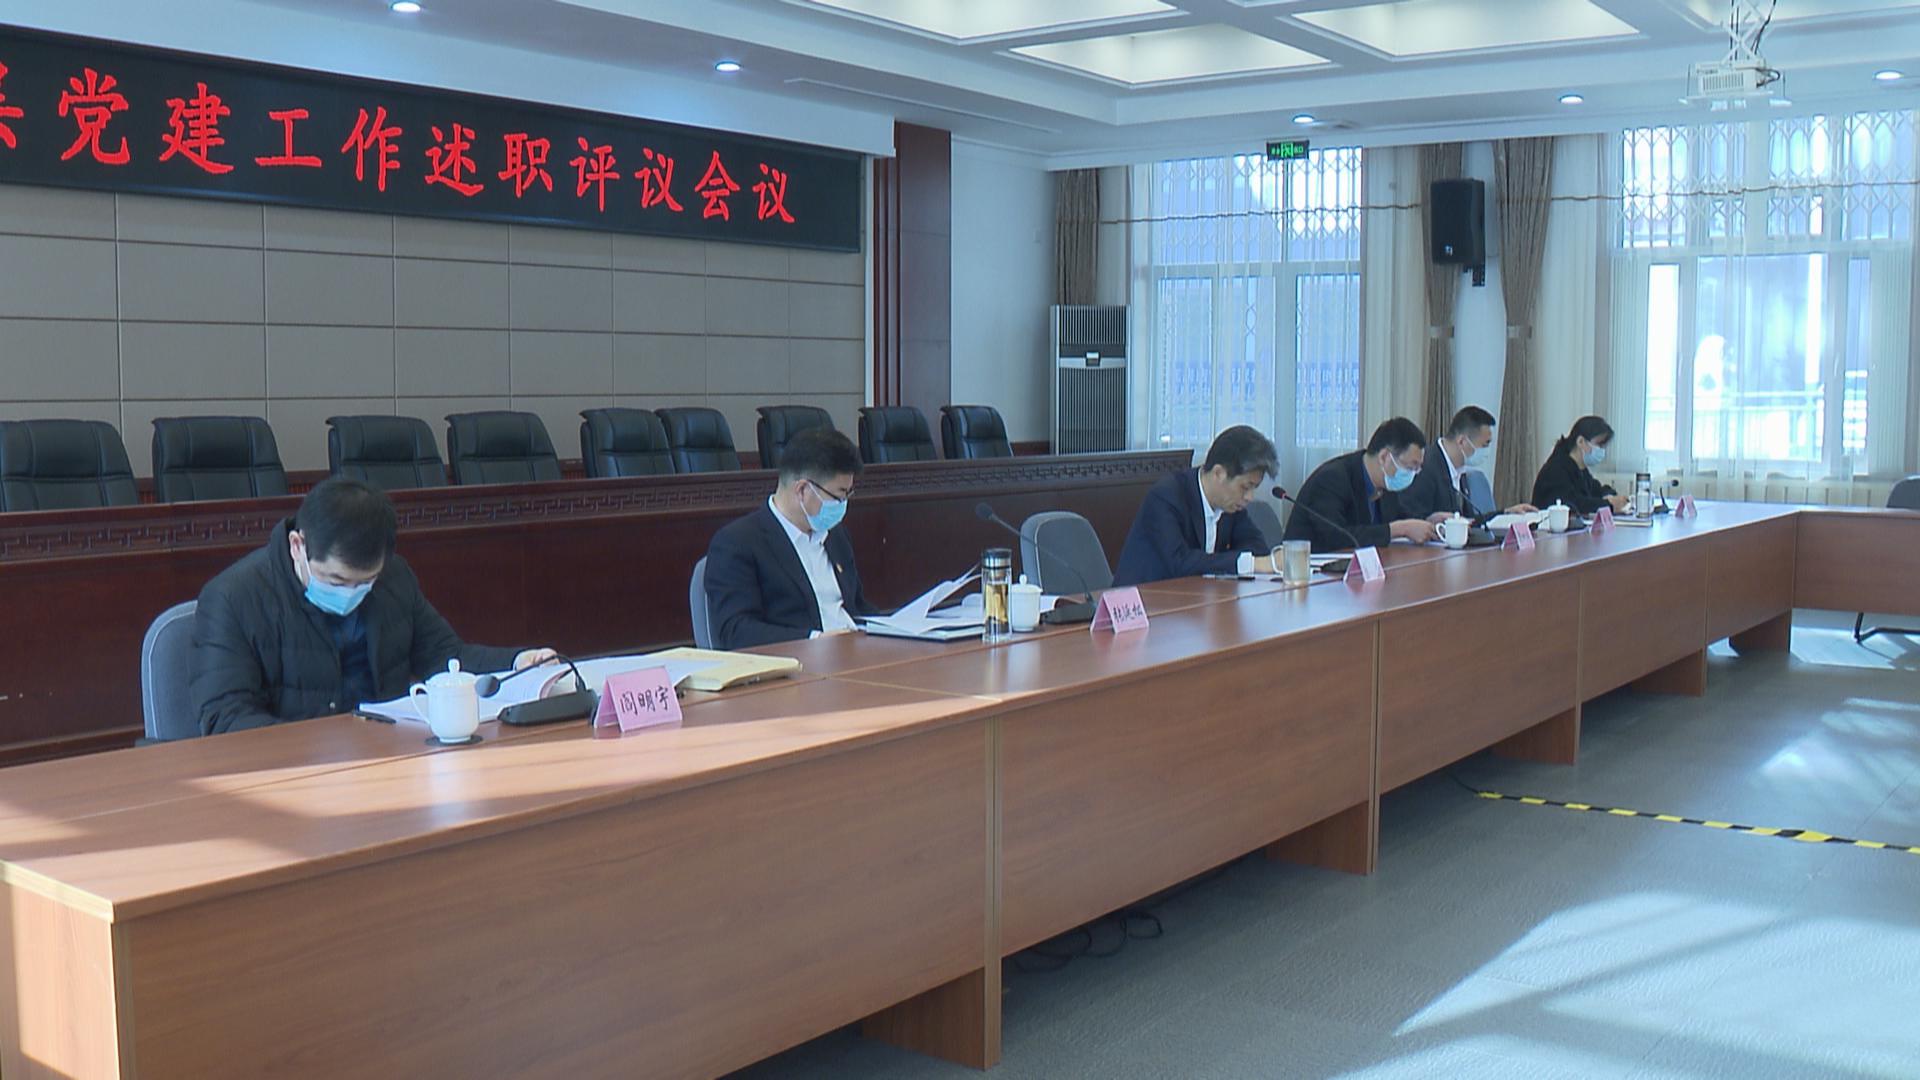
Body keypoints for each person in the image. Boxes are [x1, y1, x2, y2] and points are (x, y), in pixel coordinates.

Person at [192, 478, 555, 736]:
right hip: (295, 776)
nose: (351, 593)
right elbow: (225, 719)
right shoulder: (233, 598)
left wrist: (517, 663)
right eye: (336, 581)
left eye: (364, 582)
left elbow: (444, 658)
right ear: (298, 546)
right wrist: (322, 745)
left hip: (389, 757)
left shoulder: (393, 578)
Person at [705, 427, 873, 648]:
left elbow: (857, 607)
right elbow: (736, 631)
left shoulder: (836, 535)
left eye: (848, 494)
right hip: (800, 661)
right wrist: (814, 640)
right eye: (838, 496)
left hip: (856, 654)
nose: (842, 505)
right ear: (802, 490)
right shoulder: (737, 543)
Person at [1113, 425, 1279, 586]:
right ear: (1219, 473)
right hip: (1144, 599)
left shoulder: (1231, 505)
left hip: (1198, 598)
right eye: (1245, 487)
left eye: (1254, 488)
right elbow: (1179, 563)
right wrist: (1248, 564)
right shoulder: (1166, 496)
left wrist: (1249, 562)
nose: (1250, 497)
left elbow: (1256, 547)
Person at [1283, 417, 1439, 551]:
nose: (1414, 474)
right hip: (1311, 570)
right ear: (1384, 457)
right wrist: (1398, 529)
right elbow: (1336, 538)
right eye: (1411, 466)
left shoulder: (1386, 485)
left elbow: (1402, 517)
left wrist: (1428, 522)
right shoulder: (1332, 479)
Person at [1396, 406, 1537, 520]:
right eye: (1485, 444)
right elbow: (1411, 520)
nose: (1487, 451)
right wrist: (1431, 522)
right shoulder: (1424, 467)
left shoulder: (1459, 469)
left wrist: (1505, 513)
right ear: (1462, 441)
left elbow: (1467, 521)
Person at [1532, 415, 1631, 515]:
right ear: (1580, 441)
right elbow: (1574, 505)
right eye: (1599, 444)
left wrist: (1611, 497)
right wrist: (1608, 504)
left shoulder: (1580, 469)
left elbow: (1597, 490)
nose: (1601, 450)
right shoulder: (1556, 469)